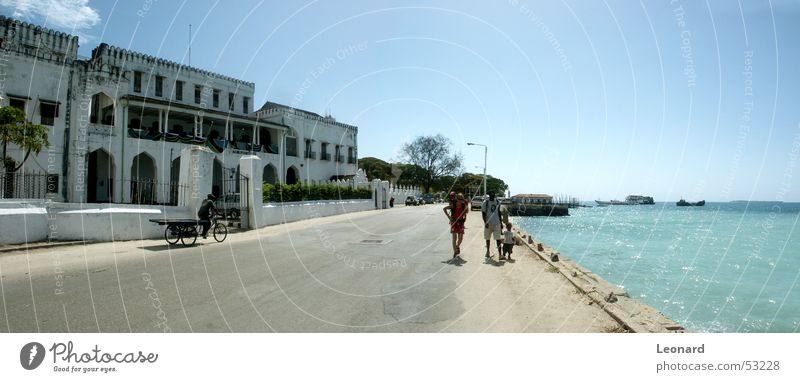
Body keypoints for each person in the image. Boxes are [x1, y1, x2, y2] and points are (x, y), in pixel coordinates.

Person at [443, 192, 468, 259]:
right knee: (454, 237)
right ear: (456, 198)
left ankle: (457, 246)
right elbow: (444, 209)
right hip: (454, 222)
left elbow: (467, 212)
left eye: (461, 199)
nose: (460, 200)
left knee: (461, 238)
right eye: (458, 199)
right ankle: (455, 251)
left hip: (461, 222)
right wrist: (449, 217)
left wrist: (466, 205)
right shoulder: (453, 205)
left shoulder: (463, 205)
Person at [481, 191, 503, 258]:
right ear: (489, 195)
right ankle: (488, 251)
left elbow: (499, 212)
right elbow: (483, 213)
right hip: (488, 223)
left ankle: (500, 254)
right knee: (487, 238)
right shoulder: (485, 203)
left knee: (498, 239)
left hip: (497, 223)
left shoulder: (497, 202)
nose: (492, 196)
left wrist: (501, 223)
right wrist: (485, 222)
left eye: (494, 195)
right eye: (491, 195)